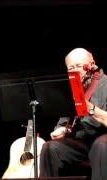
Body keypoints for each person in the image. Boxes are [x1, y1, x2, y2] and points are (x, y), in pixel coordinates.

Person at [39, 48, 107, 180]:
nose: (75, 71)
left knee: (100, 145)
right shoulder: (73, 88)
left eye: (78, 66)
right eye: (70, 68)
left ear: (92, 64)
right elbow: (65, 123)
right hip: (82, 142)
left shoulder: (105, 84)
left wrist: (90, 108)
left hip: (102, 138)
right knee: (50, 148)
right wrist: (63, 129)